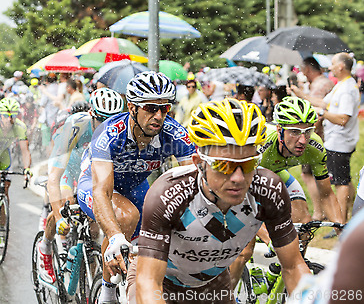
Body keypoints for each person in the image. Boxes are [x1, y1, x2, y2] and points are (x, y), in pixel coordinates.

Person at [132, 98, 310, 304]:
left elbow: (294, 266)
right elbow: (148, 281)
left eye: (248, 164)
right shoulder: (169, 193)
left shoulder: (268, 190)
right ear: (199, 163)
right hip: (160, 282)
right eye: (224, 166)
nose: (238, 178)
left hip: (212, 283)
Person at [77, 71, 195, 303]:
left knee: (161, 233)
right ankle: (108, 292)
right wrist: (114, 236)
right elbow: (102, 191)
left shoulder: (175, 133)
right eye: (151, 108)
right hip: (96, 183)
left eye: (165, 109)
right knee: (126, 217)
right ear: (132, 107)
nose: (159, 116)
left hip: (135, 186)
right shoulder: (109, 134)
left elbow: (193, 181)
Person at [229, 96, 344, 285]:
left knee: (304, 224)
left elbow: (327, 194)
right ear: (279, 129)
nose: (302, 140)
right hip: (248, 180)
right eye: (294, 132)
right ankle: (225, 296)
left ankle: (283, 277)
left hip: (277, 174)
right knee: (245, 250)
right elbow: (242, 197)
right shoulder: (261, 146)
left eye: (308, 131)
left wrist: (341, 230)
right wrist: (267, 237)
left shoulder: (315, 146)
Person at [38, 89, 124, 283]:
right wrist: (59, 216)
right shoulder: (76, 125)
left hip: (90, 169)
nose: (107, 126)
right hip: (69, 166)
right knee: (65, 205)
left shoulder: (119, 130)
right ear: (92, 114)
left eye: (113, 120)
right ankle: (45, 247)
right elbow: (55, 178)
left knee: (94, 230)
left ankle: (92, 278)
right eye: (102, 119)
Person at [291, 52, 360, 223]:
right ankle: (351, 215)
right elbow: (323, 103)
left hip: (340, 142)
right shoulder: (341, 85)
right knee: (343, 178)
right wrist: (300, 94)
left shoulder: (346, 89)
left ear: (341, 67)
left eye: (333, 64)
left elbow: (343, 119)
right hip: (336, 141)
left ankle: (341, 222)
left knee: (340, 183)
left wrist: (322, 113)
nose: (330, 67)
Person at [0, 97, 32, 194]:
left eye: (13, 115)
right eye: (6, 115)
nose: (9, 119)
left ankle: (4, 206)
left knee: (5, 188)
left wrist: (27, 168)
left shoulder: (20, 127)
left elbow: (25, 151)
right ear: (0, 115)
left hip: (5, 152)